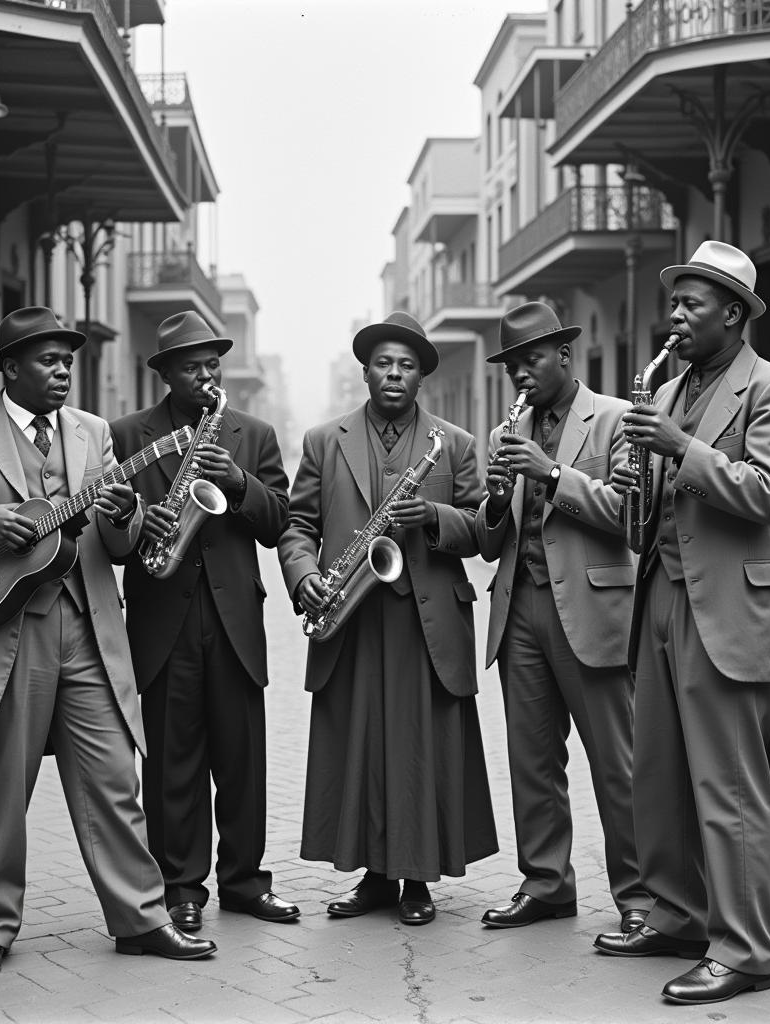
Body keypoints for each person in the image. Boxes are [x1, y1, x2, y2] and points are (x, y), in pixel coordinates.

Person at [0, 306, 216, 979]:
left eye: (69, 359)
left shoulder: (94, 432)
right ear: (11, 368)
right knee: (3, 790)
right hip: (1, 630)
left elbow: (114, 541)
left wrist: (123, 515)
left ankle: (141, 918)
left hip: (88, 628)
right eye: (48, 359)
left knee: (115, 782)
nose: (64, 369)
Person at [593, 241, 770, 1005]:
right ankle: (680, 915)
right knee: (655, 776)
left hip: (729, 607)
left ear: (733, 312)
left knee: (728, 789)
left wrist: (681, 448)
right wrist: (633, 483)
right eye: (675, 303)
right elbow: (644, 521)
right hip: (661, 597)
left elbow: (767, 495)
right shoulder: (663, 393)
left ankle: (745, 950)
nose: (676, 318)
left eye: (692, 305)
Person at [278, 311, 498, 926]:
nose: (393, 374)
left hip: (425, 626)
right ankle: (374, 878)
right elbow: (298, 525)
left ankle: (417, 879)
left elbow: (484, 531)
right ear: (366, 371)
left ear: (422, 376)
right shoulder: (324, 440)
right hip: (351, 619)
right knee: (364, 747)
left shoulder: (453, 444)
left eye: (405, 365)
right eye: (383, 363)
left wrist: (432, 516)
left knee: (419, 751)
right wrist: (304, 578)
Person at [110, 311, 298, 933]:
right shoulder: (128, 434)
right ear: (165, 373)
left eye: (212, 364)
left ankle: (245, 883)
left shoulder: (255, 434)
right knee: (173, 762)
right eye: (191, 367)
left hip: (234, 619)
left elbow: (279, 524)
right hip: (164, 617)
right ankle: (180, 887)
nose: (205, 375)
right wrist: (141, 530)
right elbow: (111, 532)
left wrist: (239, 482)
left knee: (242, 761)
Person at [476, 301, 651, 935]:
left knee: (618, 763)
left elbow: (627, 516)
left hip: (593, 608)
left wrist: (550, 473)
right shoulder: (504, 435)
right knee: (532, 760)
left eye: (532, 359)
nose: (521, 374)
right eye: (512, 365)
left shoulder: (616, 419)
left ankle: (642, 897)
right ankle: (546, 883)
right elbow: (490, 539)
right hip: (519, 607)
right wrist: (496, 501)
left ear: (564, 356)